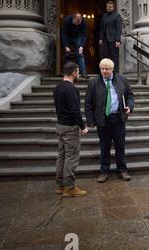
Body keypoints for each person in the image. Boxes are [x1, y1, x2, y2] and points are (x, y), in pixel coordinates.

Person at [85, 58, 134, 183]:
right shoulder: (93, 82)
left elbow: (130, 95)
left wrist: (130, 106)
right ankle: (104, 171)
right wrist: (90, 120)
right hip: (103, 120)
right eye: (102, 69)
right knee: (104, 147)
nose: (104, 71)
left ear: (112, 69)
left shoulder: (122, 79)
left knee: (120, 146)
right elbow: (88, 103)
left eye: (107, 69)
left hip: (118, 118)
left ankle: (122, 170)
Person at [53, 62, 89, 197]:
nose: (78, 74)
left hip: (60, 125)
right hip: (70, 127)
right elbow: (75, 111)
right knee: (71, 157)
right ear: (74, 72)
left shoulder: (57, 87)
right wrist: (82, 126)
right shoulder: (71, 89)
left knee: (61, 156)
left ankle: (59, 185)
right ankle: (69, 188)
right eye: (78, 72)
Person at [61, 13, 89, 79]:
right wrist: (66, 46)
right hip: (68, 36)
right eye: (76, 22)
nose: (77, 24)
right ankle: (67, 73)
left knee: (80, 54)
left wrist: (81, 46)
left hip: (77, 37)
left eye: (79, 23)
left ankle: (83, 72)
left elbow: (84, 35)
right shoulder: (67, 20)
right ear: (73, 19)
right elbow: (64, 33)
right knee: (68, 55)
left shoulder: (83, 22)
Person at [99, 1, 123, 73]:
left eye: (110, 7)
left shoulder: (117, 16)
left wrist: (118, 40)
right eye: (107, 7)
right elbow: (102, 28)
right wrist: (100, 38)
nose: (108, 8)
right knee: (105, 56)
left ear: (113, 7)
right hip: (105, 39)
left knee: (114, 57)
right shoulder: (104, 16)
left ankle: (115, 72)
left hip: (114, 40)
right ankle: (105, 71)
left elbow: (119, 28)